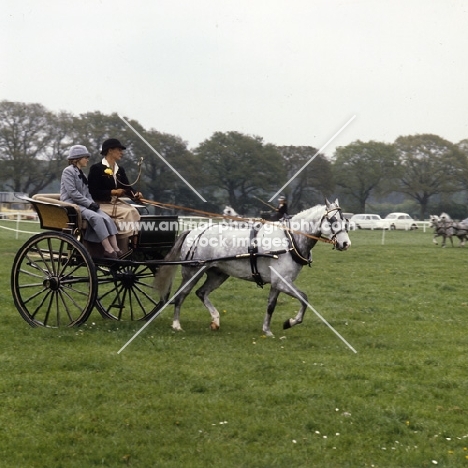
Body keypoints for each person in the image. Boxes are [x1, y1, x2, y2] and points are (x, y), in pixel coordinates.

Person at [60, 145, 121, 259]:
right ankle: (108, 249)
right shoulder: (68, 172)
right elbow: (72, 192)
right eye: (85, 157)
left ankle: (116, 249)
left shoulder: (82, 174)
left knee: (107, 218)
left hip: (83, 203)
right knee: (96, 218)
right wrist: (88, 204)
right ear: (77, 158)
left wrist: (93, 203)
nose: (87, 160)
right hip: (72, 204)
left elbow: (87, 193)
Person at [87, 138, 142, 249]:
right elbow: (93, 192)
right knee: (128, 212)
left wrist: (136, 195)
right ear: (110, 150)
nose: (122, 153)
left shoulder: (120, 170)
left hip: (115, 203)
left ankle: (134, 243)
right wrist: (112, 192)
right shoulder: (96, 168)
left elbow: (126, 187)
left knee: (134, 211)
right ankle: (122, 246)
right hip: (101, 203)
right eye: (119, 150)